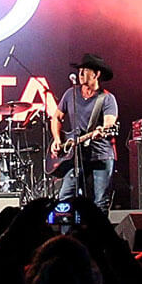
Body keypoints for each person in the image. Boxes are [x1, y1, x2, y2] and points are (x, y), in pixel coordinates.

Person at [49, 53, 118, 210]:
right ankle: (67, 232)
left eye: (84, 70)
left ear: (96, 74)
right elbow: (56, 118)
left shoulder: (107, 99)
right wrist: (57, 140)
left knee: (100, 202)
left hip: (100, 156)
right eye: (79, 70)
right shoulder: (70, 94)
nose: (80, 74)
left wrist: (101, 130)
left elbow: (109, 123)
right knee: (64, 197)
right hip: (77, 156)